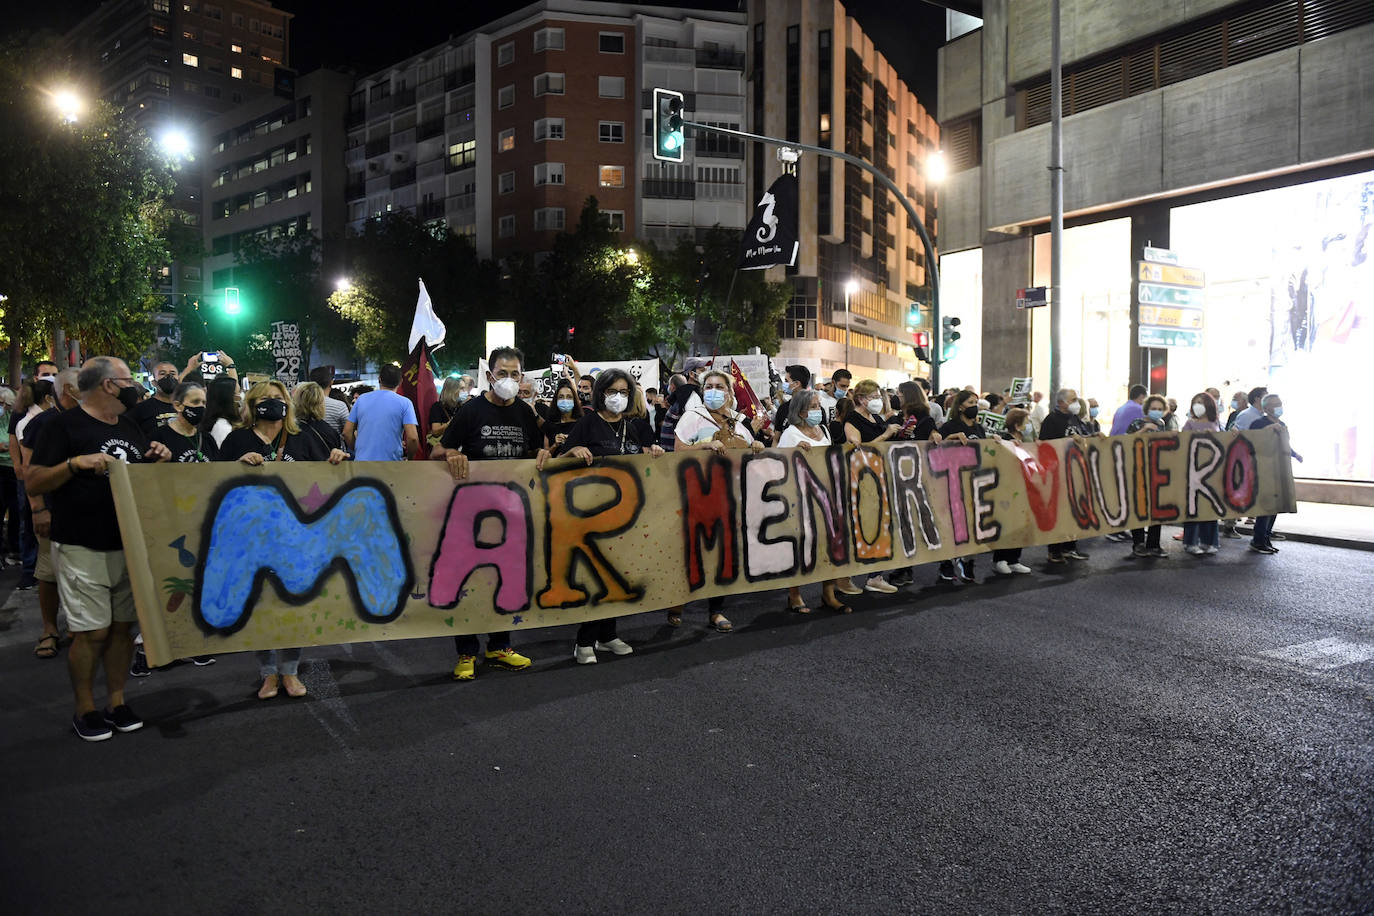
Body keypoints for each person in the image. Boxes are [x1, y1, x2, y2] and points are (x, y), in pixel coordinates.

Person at [26, 357, 173, 741]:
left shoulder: (127, 425)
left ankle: (117, 701)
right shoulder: (62, 425)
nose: (136, 387)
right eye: (129, 380)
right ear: (109, 385)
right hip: (81, 543)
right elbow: (34, 480)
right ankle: (86, 708)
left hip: (128, 543)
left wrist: (157, 457)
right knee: (91, 632)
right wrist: (75, 464)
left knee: (123, 629)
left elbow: (136, 475)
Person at [216, 381, 347, 699]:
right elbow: (214, 482)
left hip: (294, 539)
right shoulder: (236, 440)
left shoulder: (303, 438)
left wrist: (338, 458)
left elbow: (325, 473)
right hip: (251, 539)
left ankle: (289, 672)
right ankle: (267, 674)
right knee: (260, 609)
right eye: (265, 399)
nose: (273, 403)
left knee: (292, 607)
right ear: (251, 404)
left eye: (278, 398)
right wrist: (236, 466)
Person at [433, 346, 546, 680]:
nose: (508, 380)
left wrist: (542, 451)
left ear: (521, 376)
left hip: (511, 513)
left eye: (515, 374)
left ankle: (499, 646)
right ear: (490, 375)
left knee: (505, 578)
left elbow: (536, 448)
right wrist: (452, 454)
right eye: (502, 373)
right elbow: (440, 449)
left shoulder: (525, 413)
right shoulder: (471, 411)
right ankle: (466, 652)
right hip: (470, 513)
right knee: (469, 579)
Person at [554, 369, 665, 663]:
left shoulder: (638, 426)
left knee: (619, 574)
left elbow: (650, 460)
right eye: (612, 391)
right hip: (592, 515)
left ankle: (608, 635)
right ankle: (584, 641)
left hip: (627, 516)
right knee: (597, 579)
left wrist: (654, 450)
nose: (618, 397)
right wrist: (574, 449)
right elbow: (560, 461)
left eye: (624, 392)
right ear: (600, 392)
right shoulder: (587, 424)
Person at [672, 368, 766, 630]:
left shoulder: (740, 420)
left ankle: (716, 610)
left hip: (730, 496)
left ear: (730, 392)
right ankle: (678, 602)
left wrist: (756, 446)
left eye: (720, 387)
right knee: (693, 550)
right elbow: (677, 451)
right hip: (696, 494)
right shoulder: (692, 417)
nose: (714, 391)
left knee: (723, 552)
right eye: (709, 386)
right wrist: (703, 446)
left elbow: (748, 451)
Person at [776, 389, 855, 615]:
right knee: (801, 546)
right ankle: (795, 595)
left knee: (828, 544)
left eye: (818, 405)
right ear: (800, 411)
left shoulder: (823, 430)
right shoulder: (790, 434)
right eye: (812, 406)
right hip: (800, 497)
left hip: (826, 495)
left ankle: (828, 593)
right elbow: (779, 465)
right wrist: (794, 452)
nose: (817, 410)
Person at [19, 368, 81, 658]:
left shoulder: (90, 420)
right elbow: (29, 472)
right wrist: (38, 509)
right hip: (52, 511)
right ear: (68, 389)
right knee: (49, 574)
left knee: (80, 574)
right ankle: (49, 629)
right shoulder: (43, 423)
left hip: (84, 512)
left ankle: (77, 625)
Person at [936, 389, 994, 583]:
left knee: (973, 526)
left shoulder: (979, 429)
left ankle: (968, 562)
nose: (974, 407)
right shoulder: (950, 426)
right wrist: (950, 439)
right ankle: (946, 563)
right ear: (960, 406)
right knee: (951, 525)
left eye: (976, 402)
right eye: (970, 403)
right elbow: (935, 449)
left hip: (975, 483)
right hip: (953, 483)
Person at [1040, 388, 1092, 564]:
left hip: (1075, 471)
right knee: (1058, 512)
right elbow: (1045, 446)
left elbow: (1082, 437)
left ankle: (1070, 546)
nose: (1077, 402)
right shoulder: (1051, 420)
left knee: (1073, 510)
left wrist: (1093, 437)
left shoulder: (1075, 418)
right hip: (1058, 472)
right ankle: (1054, 550)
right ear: (1061, 403)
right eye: (1073, 399)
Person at [1248, 393, 1295, 554]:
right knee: (1266, 506)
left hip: (1278, 470)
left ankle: (1266, 538)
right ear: (1266, 407)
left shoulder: (1282, 423)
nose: (1278, 406)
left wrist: (1295, 454)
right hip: (1263, 470)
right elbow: (1252, 441)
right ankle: (1258, 540)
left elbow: (1285, 444)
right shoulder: (1259, 423)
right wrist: (1268, 429)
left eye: (1280, 403)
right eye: (1275, 404)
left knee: (1275, 507)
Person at [991, 407, 1035, 575]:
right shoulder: (1003, 440)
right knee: (1007, 523)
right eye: (1027, 422)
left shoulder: (1027, 440)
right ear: (1017, 425)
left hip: (1023, 487)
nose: (1029, 425)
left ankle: (1014, 559)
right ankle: (1000, 559)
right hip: (1006, 488)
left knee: (1020, 522)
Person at [344, 363, 418, 461]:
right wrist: (410, 458)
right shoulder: (405, 403)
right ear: (400, 381)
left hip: (362, 464)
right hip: (391, 465)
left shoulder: (361, 400)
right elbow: (412, 438)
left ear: (379, 379)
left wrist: (359, 451)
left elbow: (347, 432)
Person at [1125, 396, 1170, 558]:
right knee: (1139, 507)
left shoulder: (1162, 424)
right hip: (1138, 469)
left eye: (1160, 409)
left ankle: (1154, 544)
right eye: (1154, 408)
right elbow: (1126, 442)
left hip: (1157, 471)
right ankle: (1138, 543)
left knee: (1157, 509)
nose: (1157, 412)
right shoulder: (1137, 423)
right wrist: (1143, 430)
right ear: (1147, 409)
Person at [1180, 392, 1222, 556]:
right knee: (1193, 507)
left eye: (1201, 402)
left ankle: (1208, 541)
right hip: (1193, 469)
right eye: (1195, 402)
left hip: (1212, 470)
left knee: (1210, 508)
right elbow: (1182, 442)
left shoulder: (1215, 422)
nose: (1198, 405)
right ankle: (1190, 542)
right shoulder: (1190, 423)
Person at [150, 381, 218, 463]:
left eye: (204, 403)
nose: (201, 406)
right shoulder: (159, 437)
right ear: (178, 406)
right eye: (195, 402)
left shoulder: (207, 439)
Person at [292, 381, 350, 461]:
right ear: (321, 402)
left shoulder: (292, 430)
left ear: (297, 402)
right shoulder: (330, 431)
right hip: (326, 470)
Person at [540, 377, 583, 455]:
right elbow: (545, 454)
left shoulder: (582, 423)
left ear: (574, 401)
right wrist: (555, 445)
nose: (565, 400)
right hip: (556, 465)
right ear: (556, 400)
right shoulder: (550, 423)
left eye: (569, 397)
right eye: (561, 397)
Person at [658, 372, 698, 451]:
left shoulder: (679, 404)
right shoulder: (683, 401)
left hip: (673, 452)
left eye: (669, 385)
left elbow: (678, 427)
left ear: (672, 386)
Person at [201, 374, 242, 448]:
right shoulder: (222, 428)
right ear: (228, 399)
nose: (241, 398)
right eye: (238, 393)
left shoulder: (227, 424)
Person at [309, 366, 351, 437]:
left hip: (308, 447)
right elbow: (347, 432)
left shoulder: (302, 405)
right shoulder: (339, 406)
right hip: (334, 447)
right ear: (331, 382)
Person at [772, 364, 811, 439]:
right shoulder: (783, 409)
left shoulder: (815, 410)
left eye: (786, 381)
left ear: (796, 384)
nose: (784, 384)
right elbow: (776, 440)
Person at [428, 376, 466, 449]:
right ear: (452, 390)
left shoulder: (462, 407)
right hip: (442, 449)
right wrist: (451, 422)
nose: (465, 391)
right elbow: (435, 431)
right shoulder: (437, 407)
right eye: (461, 388)